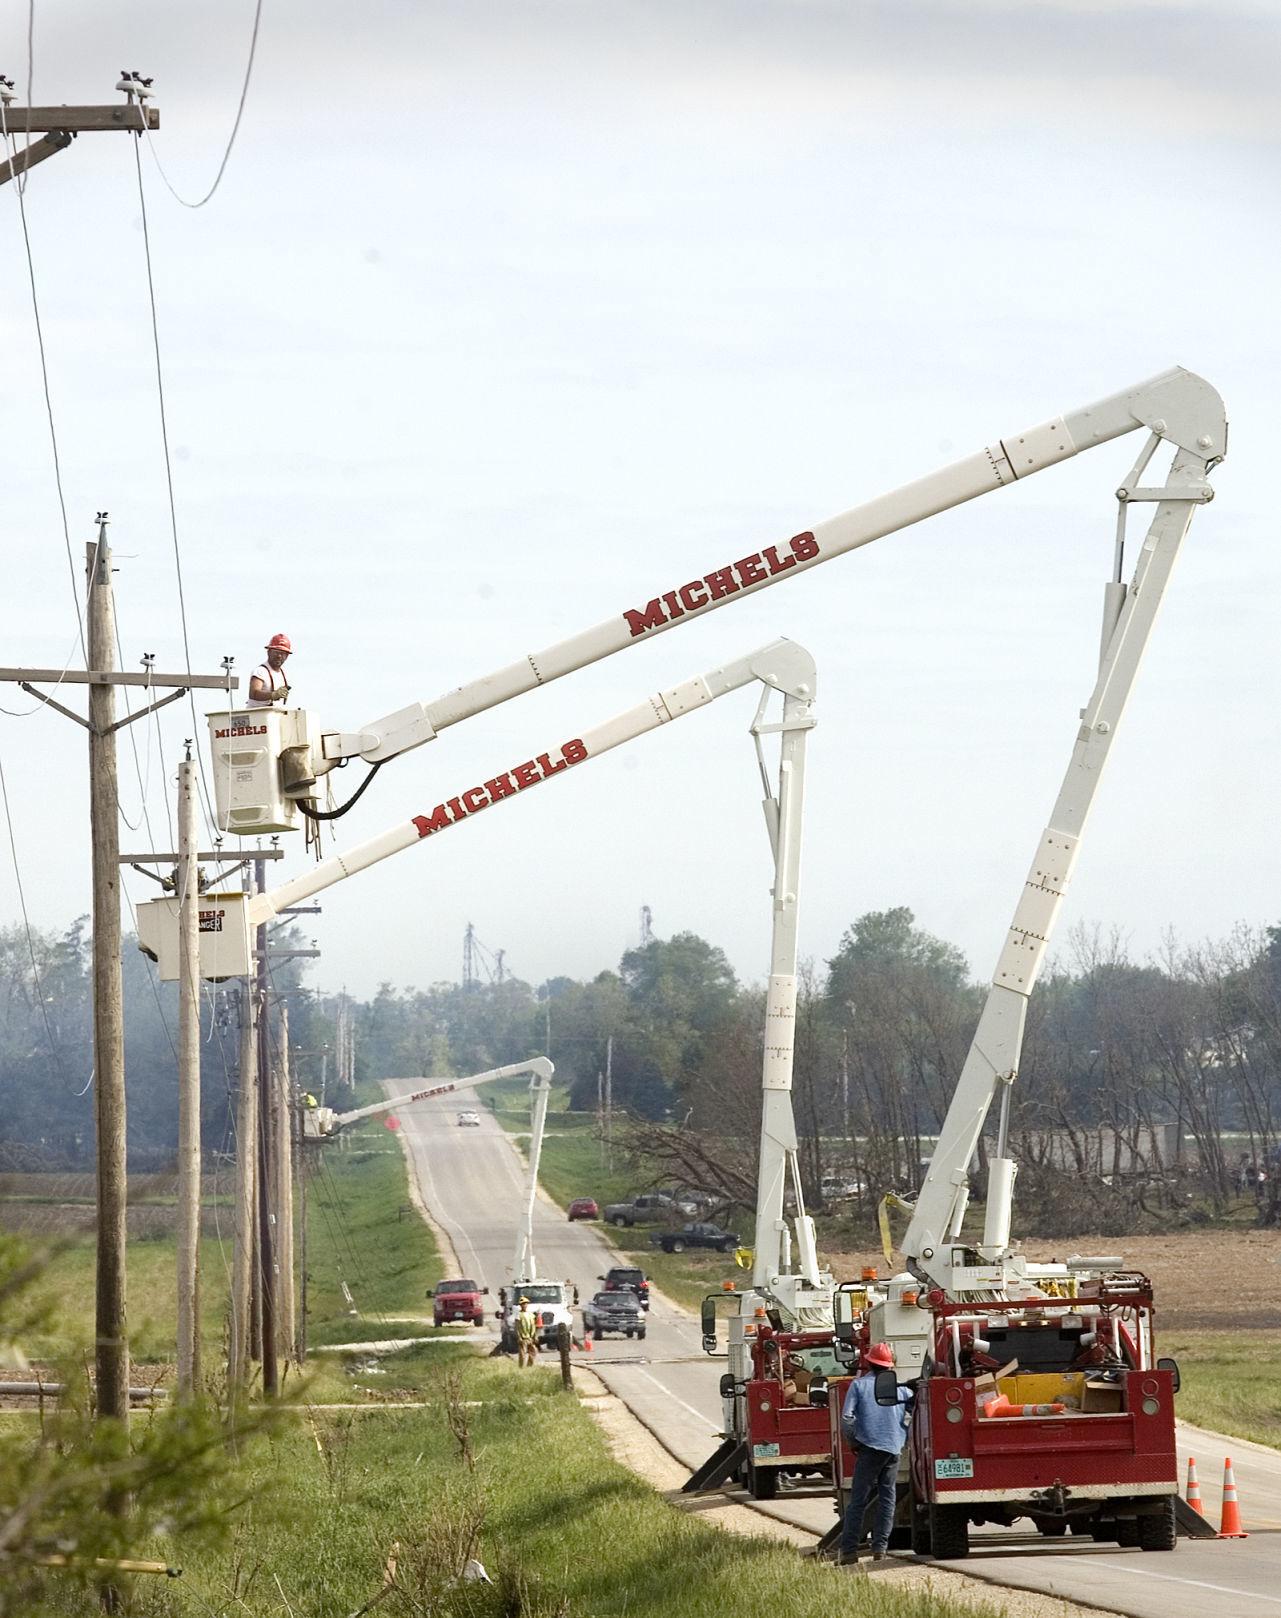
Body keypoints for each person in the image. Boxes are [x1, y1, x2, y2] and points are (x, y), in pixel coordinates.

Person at [839, 1342, 912, 1565]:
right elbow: (911, 1415)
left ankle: (849, 1551)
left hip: (869, 1448)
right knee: (887, 1498)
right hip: (893, 1449)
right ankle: (880, 1548)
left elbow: (846, 1418)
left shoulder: (859, 1386)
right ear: (890, 1365)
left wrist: (854, 1441)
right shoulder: (903, 1390)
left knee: (858, 1500)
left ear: (869, 1362)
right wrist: (902, 1437)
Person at [246, 633, 292, 708]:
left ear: (287, 656)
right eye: (276, 652)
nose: (279, 656)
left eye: (283, 653)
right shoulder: (260, 671)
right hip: (258, 715)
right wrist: (273, 695)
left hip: (273, 715)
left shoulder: (282, 674)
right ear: (269, 652)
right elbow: (253, 694)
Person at [515, 1296, 538, 1368]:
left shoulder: (531, 1314)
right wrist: (519, 1337)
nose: (524, 1305)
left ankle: (529, 1366)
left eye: (525, 1303)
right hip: (523, 1338)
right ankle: (521, 1367)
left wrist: (535, 1336)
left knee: (533, 1351)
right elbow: (517, 1327)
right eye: (523, 1304)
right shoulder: (519, 1315)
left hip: (530, 1337)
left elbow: (534, 1326)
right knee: (522, 1354)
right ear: (520, 1305)